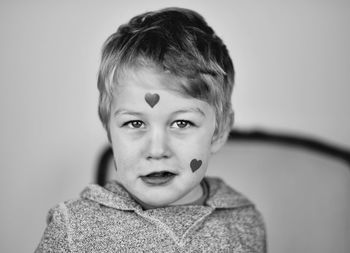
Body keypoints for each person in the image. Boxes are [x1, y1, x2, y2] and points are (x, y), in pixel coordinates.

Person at [36, 7, 266, 252]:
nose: (156, 150)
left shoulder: (245, 222)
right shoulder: (73, 230)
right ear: (109, 130)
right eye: (135, 123)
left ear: (219, 131)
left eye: (182, 123)